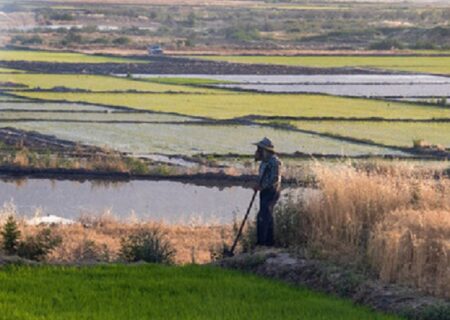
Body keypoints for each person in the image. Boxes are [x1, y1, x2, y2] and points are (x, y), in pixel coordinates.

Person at [253, 137, 282, 247]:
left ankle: (262, 243)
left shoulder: (274, 162)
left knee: (263, 216)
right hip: (264, 192)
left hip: (272, 192)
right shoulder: (264, 162)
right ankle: (268, 243)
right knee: (267, 216)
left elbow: (274, 180)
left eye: (259, 149)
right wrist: (258, 185)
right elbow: (261, 177)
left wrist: (261, 187)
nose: (257, 151)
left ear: (265, 150)